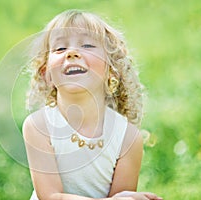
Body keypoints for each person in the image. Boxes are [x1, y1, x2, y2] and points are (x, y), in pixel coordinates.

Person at [22, 9, 163, 200]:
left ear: (111, 69)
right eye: (60, 49)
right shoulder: (39, 126)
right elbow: (51, 196)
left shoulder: (128, 138)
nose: (71, 53)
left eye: (87, 45)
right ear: (46, 74)